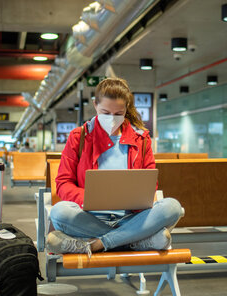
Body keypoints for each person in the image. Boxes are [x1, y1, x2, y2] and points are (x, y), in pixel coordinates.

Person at [47, 77, 184, 256]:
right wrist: (87, 198)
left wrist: (140, 198)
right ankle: (136, 242)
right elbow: (63, 182)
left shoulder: (141, 139)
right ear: (95, 105)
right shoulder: (78, 137)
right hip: (89, 218)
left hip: (131, 218)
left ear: (126, 109)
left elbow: (150, 184)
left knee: (172, 207)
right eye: (105, 112)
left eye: (118, 114)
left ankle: (98, 244)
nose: (112, 119)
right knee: (59, 213)